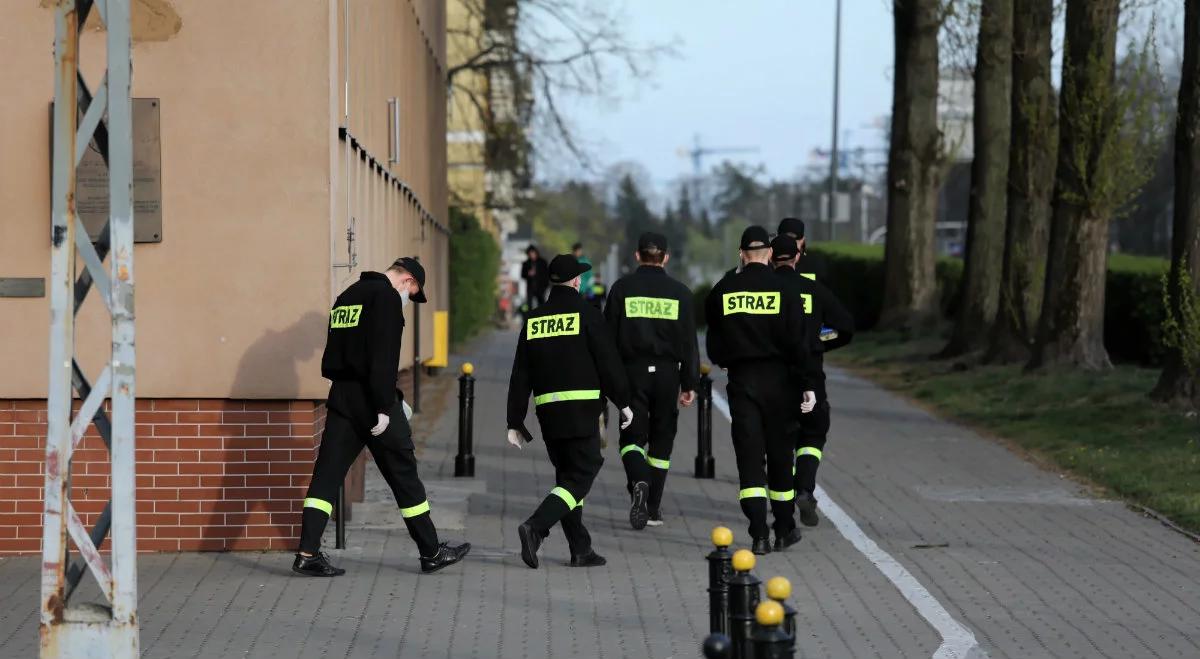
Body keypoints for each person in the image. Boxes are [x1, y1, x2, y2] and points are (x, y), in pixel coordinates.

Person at [294, 258, 470, 576]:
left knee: (326, 476)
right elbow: (383, 358)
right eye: (412, 292)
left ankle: (307, 553)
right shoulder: (386, 298)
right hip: (374, 402)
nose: (408, 297)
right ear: (407, 280)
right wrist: (383, 407)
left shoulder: (347, 297)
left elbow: (330, 359)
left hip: (342, 398)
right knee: (403, 474)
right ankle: (431, 552)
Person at [506, 254, 634, 569]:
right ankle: (536, 527)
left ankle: (581, 549)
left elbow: (521, 372)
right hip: (581, 413)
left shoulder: (534, 320)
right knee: (583, 472)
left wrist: (515, 419)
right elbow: (608, 363)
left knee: (566, 478)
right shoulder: (588, 314)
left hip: (548, 415)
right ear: (577, 281)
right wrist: (625, 402)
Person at [705, 226, 815, 555]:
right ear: (769, 253)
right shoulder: (785, 290)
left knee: (750, 461)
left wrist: (726, 360)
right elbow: (800, 343)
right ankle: (784, 528)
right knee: (782, 458)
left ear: (741, 254)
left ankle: (758, 534)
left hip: (743, 383)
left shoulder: (723, 290)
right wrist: (808, 386)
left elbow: (714, 341)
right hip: (781, 384)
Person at [604, 231, 700, 530]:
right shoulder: (681, 293)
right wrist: (690, 384)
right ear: (666, 258)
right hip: (668, 375)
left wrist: (607, 380)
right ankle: (654, 508)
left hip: (631, 373)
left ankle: (639, 480)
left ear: (637, 255)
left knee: (632, 438)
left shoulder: (622, 289)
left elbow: (607, 339)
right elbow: (689, 344)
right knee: (662, 441)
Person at [774, 221, 854, 526]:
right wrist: (818, 343)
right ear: (799, 250)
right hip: (809, 369)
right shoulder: (815, 281)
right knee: (813, 431)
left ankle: (779, 500)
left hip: (771, 373)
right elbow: (845, 327)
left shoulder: (763, 286)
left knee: (777, 437)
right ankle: (804, 488)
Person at [521, 245, 550, 311]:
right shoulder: (526, 263)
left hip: (541, 287)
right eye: (530, 254)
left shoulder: (543, 262)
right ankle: (529, 318)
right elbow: (522, 275)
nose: (532, 255)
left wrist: (545, 285)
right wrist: (528, 274)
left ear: (536, 253)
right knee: (529, 305)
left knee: (541, 303)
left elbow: (546, 274)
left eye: (533, 253)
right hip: (530, 288)